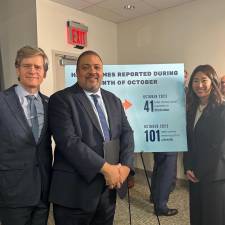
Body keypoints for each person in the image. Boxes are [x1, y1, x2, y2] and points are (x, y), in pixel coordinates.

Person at [48, 50, 134, 225]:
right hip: (74, 192)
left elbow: (127, 133)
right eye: (85, 67)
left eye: (97, 67)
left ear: (102, 72)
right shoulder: (61, 100)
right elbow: (69, 142)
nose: (92, 71)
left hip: (107, 191)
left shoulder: (114, 100)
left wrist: (125, 167)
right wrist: (107, 169)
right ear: (77, 72)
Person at [0, 46, 52, 225]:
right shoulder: (2, 101)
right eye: (27, 65)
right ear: (17, 69)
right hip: (11, 192)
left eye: (38, 67)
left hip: (43, 191)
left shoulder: (50, 104)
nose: (32, 71)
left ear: (44, 73)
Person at [183, 64, 225, 225]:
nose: (199, 85)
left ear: (212, 81)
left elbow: (219, 146)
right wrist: (188, 167)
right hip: (194, 174)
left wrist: (199, 171)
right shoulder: (192, 109)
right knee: (197, 217)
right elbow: (188, 141)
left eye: (204, 80)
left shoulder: (221, 109)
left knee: (213, 218)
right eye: (195, 80)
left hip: (215, 176)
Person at [150, 152, 178, 216]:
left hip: (160, 145)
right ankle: (161, 207)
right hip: (169, 145)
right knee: (167, 168)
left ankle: (155, 198)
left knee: (159, 164)